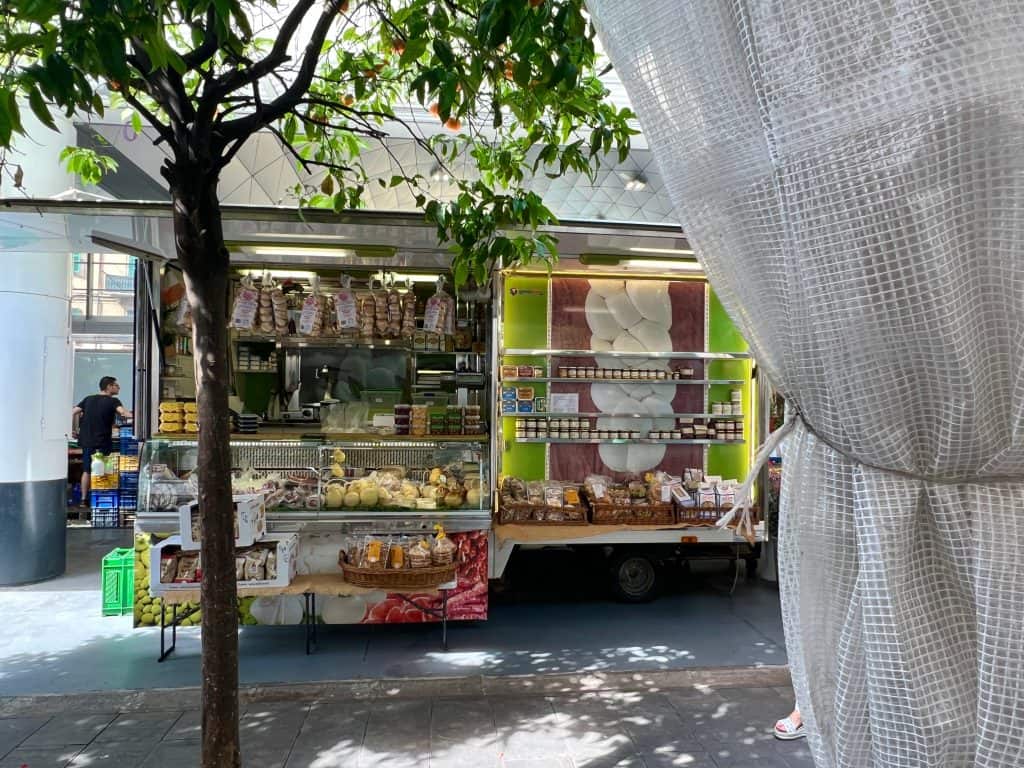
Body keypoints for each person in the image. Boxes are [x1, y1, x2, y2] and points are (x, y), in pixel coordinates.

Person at [72, 376, 131, 504]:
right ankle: (102, 496)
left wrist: (71, 430)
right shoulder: (113, 401)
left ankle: (83, 499)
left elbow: (73, 411)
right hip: (102, 440)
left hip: (87, 441)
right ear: (109, 387)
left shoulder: (88, 399)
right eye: (116, 385)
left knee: (87, 470)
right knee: (103, 469)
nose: (118, 387)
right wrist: (138, 416)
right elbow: (124, 413)